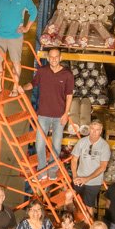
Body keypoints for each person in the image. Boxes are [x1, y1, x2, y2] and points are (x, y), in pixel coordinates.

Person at [21, 47, 75, 178]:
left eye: (56, 57)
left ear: (60, 58)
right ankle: (42, 168)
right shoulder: (42, 71)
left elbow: (69, 95)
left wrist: (66, 114)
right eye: (51, 57)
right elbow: (33, 83)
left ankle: (52, 170)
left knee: (56, 146)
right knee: (40, 143)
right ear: (48, 57)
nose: (54, 59)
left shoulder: (67, 74)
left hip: (59, 116)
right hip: (43, 114)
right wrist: (21, 88)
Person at [70, 121, 110, 212]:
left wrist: (87, 179)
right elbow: (74, 160)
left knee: (88, 207)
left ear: (100, 131)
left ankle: (89, 226)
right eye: (92, 129)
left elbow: (103, 167)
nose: (94, 132)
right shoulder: (82, 142)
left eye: (97, 130)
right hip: (79, 179)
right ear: (89, 129)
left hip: (93, 183)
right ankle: (73, 223)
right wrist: (75, 176)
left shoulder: (104, 146)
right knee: (73, 200)